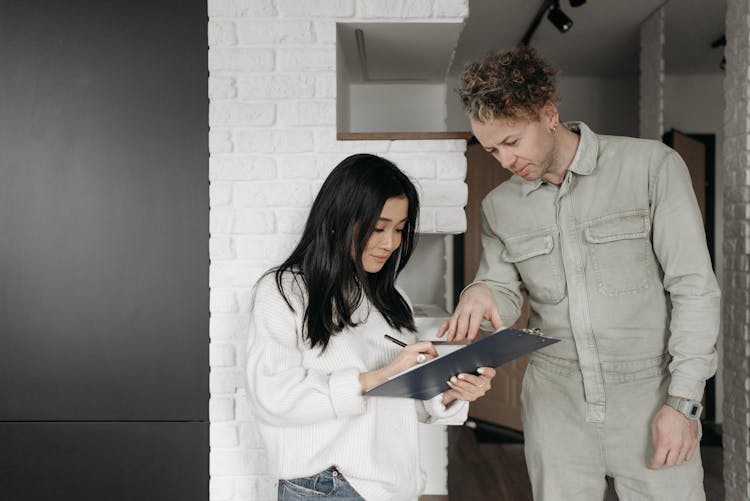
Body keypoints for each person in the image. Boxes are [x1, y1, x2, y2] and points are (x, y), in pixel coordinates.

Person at [438, 46, 720, 500]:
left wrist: (684, 404)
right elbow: (503, 291)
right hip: (555, 401)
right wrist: (481, 292)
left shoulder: (651, 167)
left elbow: (695, 290)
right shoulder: (500, 206)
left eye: (512, 142)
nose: (505, 162)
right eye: (492, 150)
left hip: (650, 393)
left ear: (549, 114)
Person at [245, 153, 497, 501]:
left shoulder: (393, 300)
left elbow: (402, 402)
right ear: (339, 219)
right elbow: (273, 396)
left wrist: (453, 392)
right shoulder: (284, 291)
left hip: (391, 487)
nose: (391, 243)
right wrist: (377, 376)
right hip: (326, 487)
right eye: (378, 228)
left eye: (399, 229)